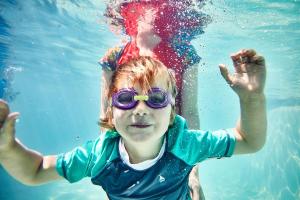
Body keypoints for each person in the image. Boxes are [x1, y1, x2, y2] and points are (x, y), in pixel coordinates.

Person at [0, 49, 267, 199]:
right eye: (127, 99)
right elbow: (34, 171)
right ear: (111, 109)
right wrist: (6, 148)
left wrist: (252, 99)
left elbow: (249, 140)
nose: (140, 109)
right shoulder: (100, 155)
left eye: (155, 99)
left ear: (173, 108)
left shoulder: (184, 143)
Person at [101, 1, 211, 198]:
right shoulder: (115, 56)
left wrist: (194, 173)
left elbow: (190, 112)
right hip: (130, 148)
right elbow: (106, 114)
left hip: (174, 146)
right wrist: (108, 163)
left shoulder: (185, 54)